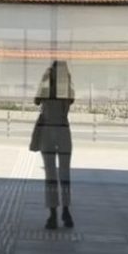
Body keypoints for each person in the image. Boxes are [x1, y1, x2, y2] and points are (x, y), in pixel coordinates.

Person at [29, 60, 75, 230]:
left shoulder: (54, 87)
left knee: (54, 174)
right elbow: (69, 101)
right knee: (61, 174)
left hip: (51, 130)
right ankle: (62, 212)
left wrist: (46, 80)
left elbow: (37, 100)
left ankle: (57, 213)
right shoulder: (66, 88)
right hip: (61, 130)